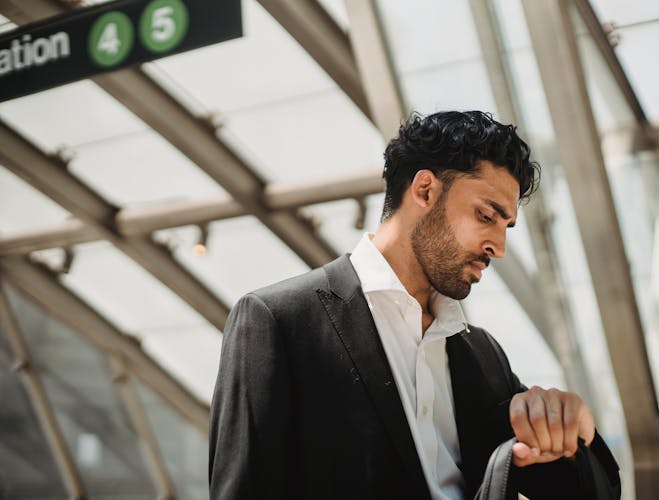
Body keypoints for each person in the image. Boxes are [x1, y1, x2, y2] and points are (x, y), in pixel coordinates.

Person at [209, 111, 621, 499]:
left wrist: (574, 433)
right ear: (425, 190)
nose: (499, 247)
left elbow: (589, 492)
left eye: (505, 225)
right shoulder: (280, 321)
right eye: (485, 215)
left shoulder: (481, 354)